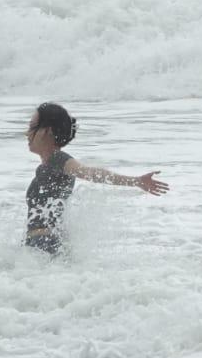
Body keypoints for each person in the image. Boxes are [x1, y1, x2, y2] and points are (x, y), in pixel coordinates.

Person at [24, 102, 168, 255]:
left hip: (45, 243)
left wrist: (135, 181)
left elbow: (89, 172)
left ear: (48, 131)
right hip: (43, 242)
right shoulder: (47, 166)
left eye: (32, 127)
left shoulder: (58, 159)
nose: (27, 133)